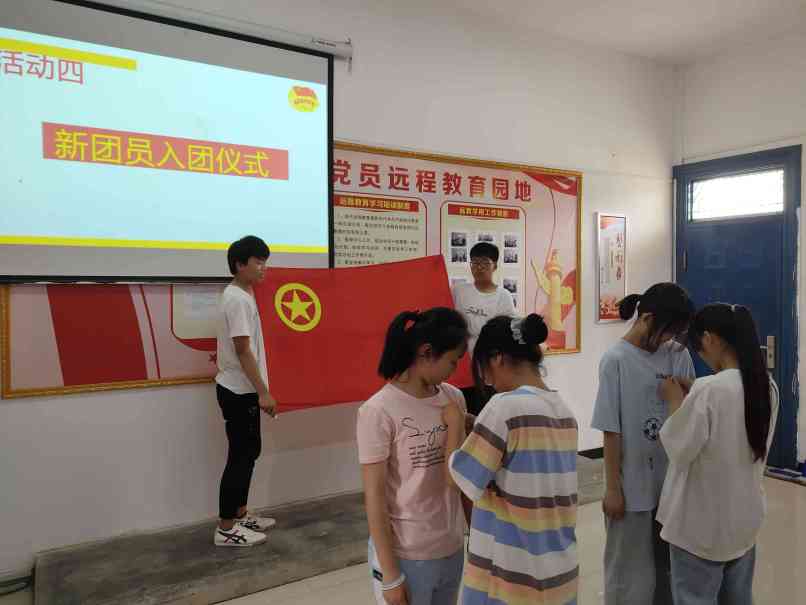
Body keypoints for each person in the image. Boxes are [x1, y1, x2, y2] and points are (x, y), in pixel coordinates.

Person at [446, 314, 579, 604]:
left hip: (511, 580)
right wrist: (479, 427)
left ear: (496, 358)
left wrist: (454, 424)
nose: (486, 381)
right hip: (559, 575)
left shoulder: (503, 407)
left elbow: (460, 478)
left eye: (482, 369)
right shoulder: (563, 412)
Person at [657, 304, 779, 605]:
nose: (701, 356)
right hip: (743, 522)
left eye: (699, 348)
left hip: (701, 527)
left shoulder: (710, 390)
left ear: (710, 339)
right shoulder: (766, 386)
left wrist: (675, 402)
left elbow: (679, 449)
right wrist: (696, 393)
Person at [591, 282, 696, 604]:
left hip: (671, 484)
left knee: (669, 568)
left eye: (676, 333)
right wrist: (612, 488)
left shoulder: (677, 354)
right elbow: (611, 430)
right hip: (632, 484)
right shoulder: (616, 360)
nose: (670, 340)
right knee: (628, 570)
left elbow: (693, 414)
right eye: (668, 331)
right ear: (647, 318)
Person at [357, 308, 469, 605]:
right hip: (406, 555)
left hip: (451, 547)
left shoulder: (454, 399)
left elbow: (463, 478)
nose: (455, 369)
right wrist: (391, 575)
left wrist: (476, 536)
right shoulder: (378, 411)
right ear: (426, 352)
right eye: (453, 361)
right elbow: (374, 498)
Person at [214, 236, 278, 547]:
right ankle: (226, 528)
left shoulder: (242, 294)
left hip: (241, 389)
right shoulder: (237, 299)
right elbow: (243, 350)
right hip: (239, 391)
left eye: (265, 261)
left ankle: (240, 514)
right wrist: (263, 392)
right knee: (240, 458)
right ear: (240, 264)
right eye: (258, 261)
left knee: (249, 453)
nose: (264, 267)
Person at [452, 242, 516, 415]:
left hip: (489, 362)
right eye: (475, 262)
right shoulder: (459, 291)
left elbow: (507, 330)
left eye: (485, 263)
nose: (479, 268)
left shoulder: (503, 296)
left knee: (487, 410)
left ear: (495, 266)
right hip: (461, 361)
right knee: (463, 409)